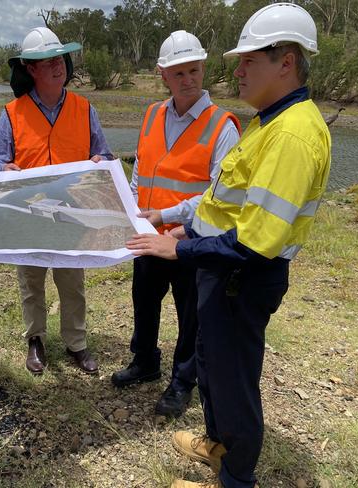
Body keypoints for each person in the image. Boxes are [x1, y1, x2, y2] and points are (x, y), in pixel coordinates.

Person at [126, 4, 331, 487]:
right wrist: (178, 221)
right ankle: (217, 442)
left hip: (243, 276)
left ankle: (235, 478)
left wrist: (178, 249)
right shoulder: (268, 123)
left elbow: (255, 243)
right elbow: (224, 200)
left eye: (248, 61)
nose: (235, 71)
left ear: (286, 61)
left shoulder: (293, 136)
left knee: (235, 382)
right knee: (214, 365)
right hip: (220, 270)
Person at [111, 31, 240, 420]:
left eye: (195, 70)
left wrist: (168, 218)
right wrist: (132, 208)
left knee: (191, 315)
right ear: (162, 74)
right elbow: (141, 172)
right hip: (148, 236)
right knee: (144, 301)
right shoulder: (152, 114)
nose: (189, 79)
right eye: (179, 72)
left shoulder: (222, 127)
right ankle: (145, 361)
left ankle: (184, 381)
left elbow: (219, 197)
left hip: (190, 239)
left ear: (204, 69)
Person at [0, 27, 113, 375]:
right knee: (31, 282)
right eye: (47, 62)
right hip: (30, 214)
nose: (57, 67)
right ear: (31, 70)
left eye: (60, 59)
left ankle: (77, 344)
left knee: (73, 282)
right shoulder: (12, 113)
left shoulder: (85, 110)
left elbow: (103, 155)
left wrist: (101, 162)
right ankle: (35, 340)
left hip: (71, 214)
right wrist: (5, 167)